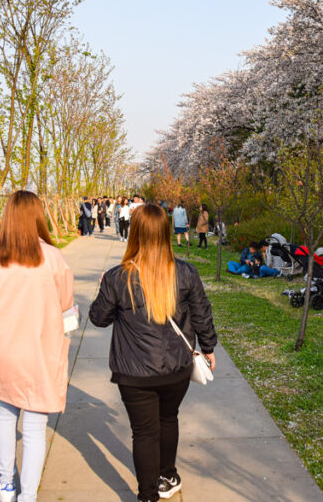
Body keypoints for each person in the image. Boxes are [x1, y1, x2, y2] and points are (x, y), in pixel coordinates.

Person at [89, 203, 218, 502]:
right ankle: (168, 475)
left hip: (134, 373)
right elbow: (202, 314)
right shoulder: (185, 272)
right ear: (166, 232)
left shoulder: (116, 277)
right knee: (168, 418)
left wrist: (104, 289)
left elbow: (99, 318)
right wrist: (208, 347)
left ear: (134, 233)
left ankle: (147, 495)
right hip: (176, 368)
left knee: (144, 433)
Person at [0, 191, 74, 502]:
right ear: (37, 216)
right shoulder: (52, 257)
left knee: (6, 415)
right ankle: (28, 494)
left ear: (6, 216)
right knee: (36, 427)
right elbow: (66, 304)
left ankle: (6, 484)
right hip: (41, 350)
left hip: (4, 350)